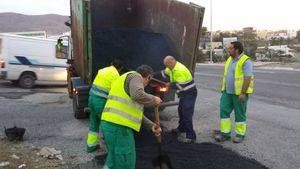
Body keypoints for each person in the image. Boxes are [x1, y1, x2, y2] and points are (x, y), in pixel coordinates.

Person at [100, 65, 162, 169]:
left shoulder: (123, 79)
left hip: (110, 125)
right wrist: (153, 99)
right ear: (149, 77)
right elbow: (137, 94)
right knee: (126, 162)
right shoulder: (135, 76)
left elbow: (133, 113)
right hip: (119, 128)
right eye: (148, 82)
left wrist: (151, 126)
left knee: (113, 160)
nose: (146, 85)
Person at [214, 41, 254, 143]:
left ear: (236, 49)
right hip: (227, 92)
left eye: (231, 48)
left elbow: (247, 78)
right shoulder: (229, 60)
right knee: (224, 111)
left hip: (239, 93)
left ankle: (240, 134)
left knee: (239, 113)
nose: (229, 50)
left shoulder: (246, 61)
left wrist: (243, 93)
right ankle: (225, 133)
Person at [86, 59, 123, 153]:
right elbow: (115, 92)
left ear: (111, 64)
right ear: (120, 68)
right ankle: (111, 150)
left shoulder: (102, 70)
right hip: (100, 102)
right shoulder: (116, 75)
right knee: (107, 124)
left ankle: (91, 146)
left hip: (91, 98)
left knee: (94, 122)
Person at [161, 56, 197, 143]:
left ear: (172, 62)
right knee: (180, 110)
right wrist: (152, 75)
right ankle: (181, 129)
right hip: (183, 94)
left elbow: (181, 86)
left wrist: (169, 84)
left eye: (167, 65)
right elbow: (164, 72)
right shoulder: (171, 67)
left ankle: (191, 136)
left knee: (186, 114)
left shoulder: (179, 70)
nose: (167, 67)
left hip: (189, 93)